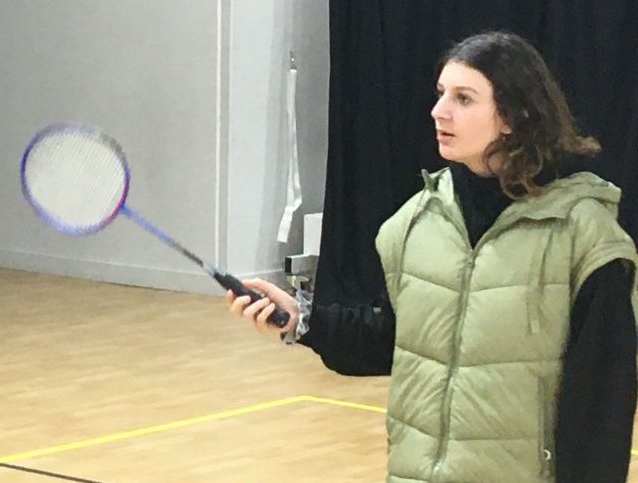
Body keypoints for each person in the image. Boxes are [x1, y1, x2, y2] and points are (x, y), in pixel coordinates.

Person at [229, 31, 637, 482]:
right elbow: (396, 342)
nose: (439, 111)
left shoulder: (586, 239)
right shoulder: (416, 222)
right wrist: (302, 319)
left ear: (514, 116)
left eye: (464, 98)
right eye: (442, 93)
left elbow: (603, 406)